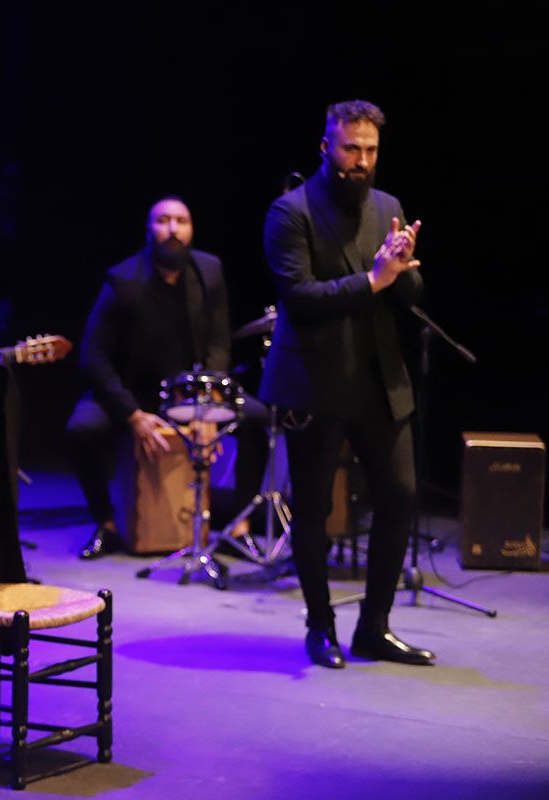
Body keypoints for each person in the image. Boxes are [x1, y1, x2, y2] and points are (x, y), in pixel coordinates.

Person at [260, 99, 433, 669]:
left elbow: (408, 295)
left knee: (400, 496)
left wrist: (402, 269)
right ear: (326, 146)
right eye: (351, 148)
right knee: (313, 510)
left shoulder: (387, 205)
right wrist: (374, 279)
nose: (361, 161)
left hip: (381, 381)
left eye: (371, 150)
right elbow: (301, 299)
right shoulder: (290, 212)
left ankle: (374, 627)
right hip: (315, 381)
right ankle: (320, 627)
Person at [66, 197, 237, 559]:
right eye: (163, 221)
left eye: (181, 221)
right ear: (149, 230)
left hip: (186, 395)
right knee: (82, 428)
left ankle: (238, 526)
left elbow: (220, 344)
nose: (173, 229)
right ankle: (106, 523)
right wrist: (131, 414)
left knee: (254, 417)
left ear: (192, 230)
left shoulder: (209, 273)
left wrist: (207, 406)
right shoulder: (123, 279)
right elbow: (92, 355)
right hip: (130, 394)